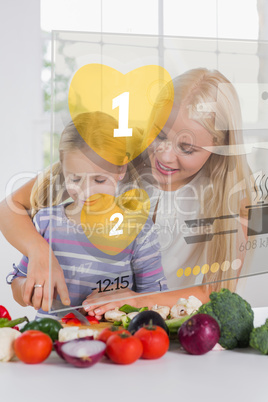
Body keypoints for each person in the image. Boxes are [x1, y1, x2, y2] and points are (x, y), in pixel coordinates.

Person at [0, 68, 251, 317]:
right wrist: (39, 252)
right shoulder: (113, 159)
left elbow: (217, 291)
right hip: (98, 326)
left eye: (187, 148)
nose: (164, 155)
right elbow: (10, 208)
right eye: (159, 134)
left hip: (174, 334)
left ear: (219, 146)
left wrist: (139, 301)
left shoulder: (230, 195)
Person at [6, 111, 168, 318]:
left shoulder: (139, 228)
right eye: (75, 179)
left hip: (112, 341)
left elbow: (155, 298)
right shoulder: (45, 222)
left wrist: (127, 298)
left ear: (120, 169)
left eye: (99, 180)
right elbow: (17, 283)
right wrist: (29, 291)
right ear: (63, 171)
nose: (86, 191)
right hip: (50, 342)